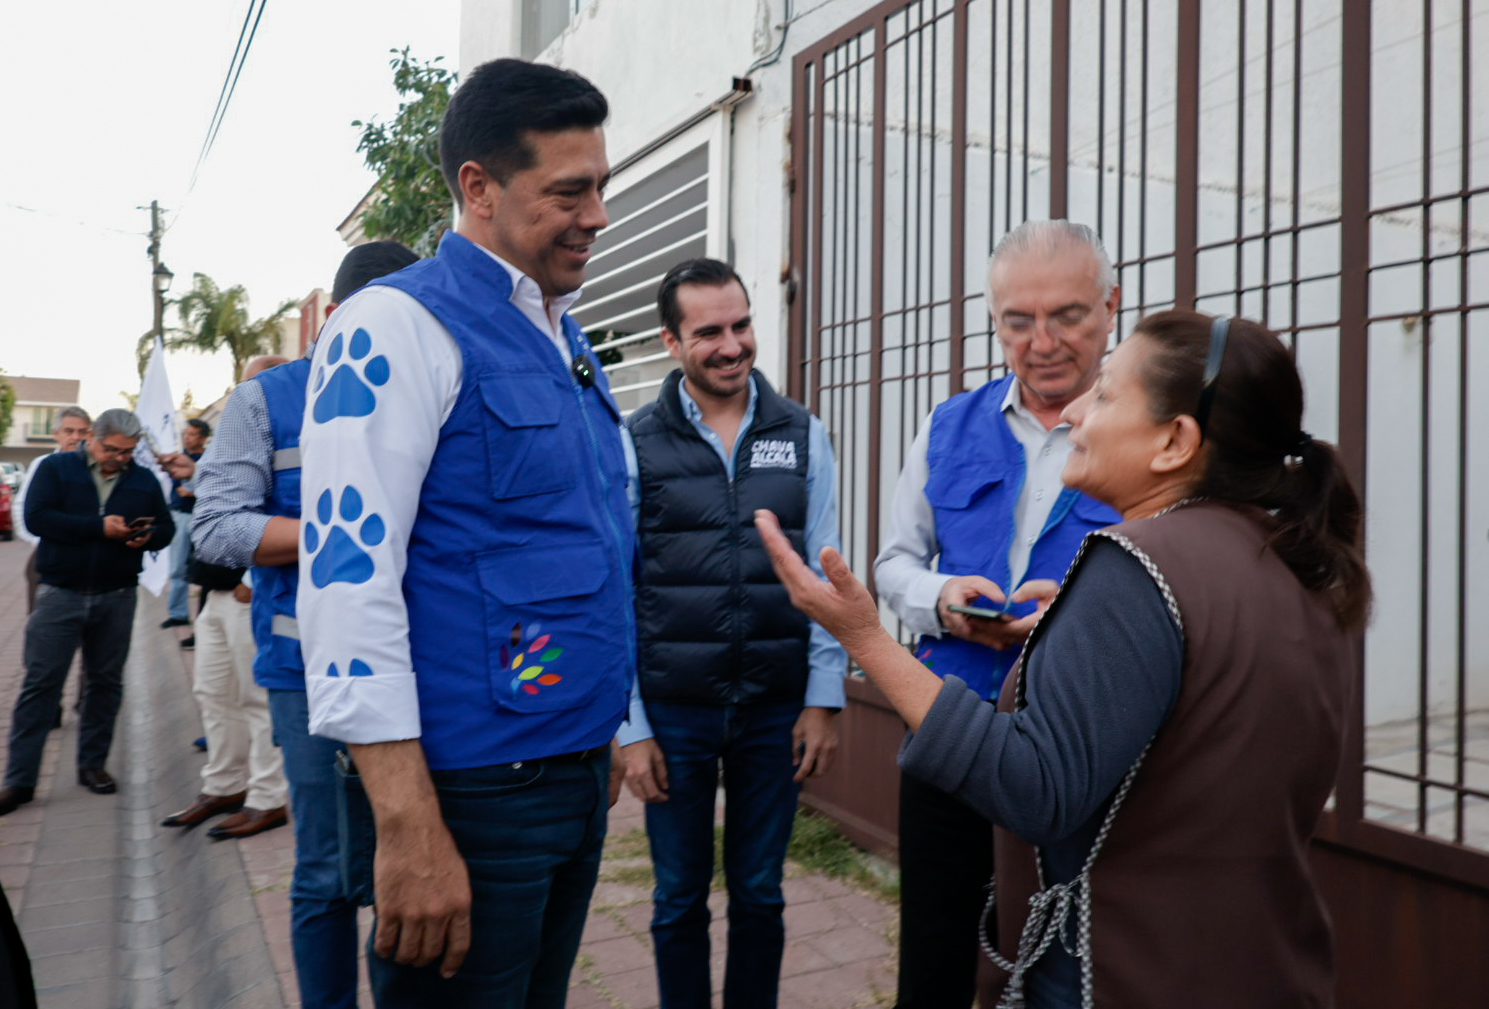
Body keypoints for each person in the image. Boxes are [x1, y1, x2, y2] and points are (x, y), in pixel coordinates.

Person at [759, 310, 1372, 1007]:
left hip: (1118, 971)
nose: (1075, 410)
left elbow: (1032, 785)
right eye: (1012, 318)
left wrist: (863, 637)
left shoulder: (1139, 562)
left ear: (1175, 441)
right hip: (1257, 965)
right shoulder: (1296, 558)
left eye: (1105, 393)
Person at [297, 58, 631, 1007]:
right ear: (477, 188)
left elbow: (577, 547)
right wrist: (406, 822)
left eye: (599, 186)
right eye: (568, 191)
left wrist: (599, 731)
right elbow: (346, 578)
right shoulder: (392, 327)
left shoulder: (557, 334)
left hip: (565, 776)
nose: (597, 215)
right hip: (470, 795)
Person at [872, 220, 1121, 1008]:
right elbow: (892, 566)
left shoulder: (1145, 432)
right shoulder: (947, 425)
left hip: (1081, 746)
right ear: (993, 319)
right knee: (935, 959)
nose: (1041, 341)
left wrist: (1071, 617)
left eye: (1068, 315)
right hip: (950, 731)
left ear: (1110, 307)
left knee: (1070, 965)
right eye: (1018, 320)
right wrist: (939, 600)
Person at [188, 243, 416, 1009]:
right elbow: (215, 528)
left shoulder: (432, 383)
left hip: (422, 670)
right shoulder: (269, 400)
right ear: (338, 317)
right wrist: (340, 534)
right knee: (325, 870)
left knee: (408, 865)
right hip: (306, 673)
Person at [617, 258, 846, 1008]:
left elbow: (826, 575)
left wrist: (821, 697)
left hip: (774, 708)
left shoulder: (803, 434)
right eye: (708, 331)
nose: (730, 344)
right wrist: (633, 725)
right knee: (677, 898)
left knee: (760, 892)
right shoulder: (634, 443)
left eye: (740, 324)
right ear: (671, 341)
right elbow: (614, 590)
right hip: (673, 711)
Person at [0, 409, 174, 815]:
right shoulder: (57, 468)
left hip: (117, 594)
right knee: (41, 685)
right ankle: (19, 780)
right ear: (93, 437)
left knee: (105, 684)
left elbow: (167, 528)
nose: (120, 458)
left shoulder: (142, 479)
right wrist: (99, 528)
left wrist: (147, 537)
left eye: (128, 452)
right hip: (60, 592)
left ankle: (92, 765)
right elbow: (36, 518)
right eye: (112, 449)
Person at [159, 553, 289, 840]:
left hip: (251, 592)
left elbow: (280, 512)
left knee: (258, 700)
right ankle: (224, 787)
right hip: (214, 591)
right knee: (212, 693)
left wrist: (250, 579)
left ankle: (268, 800)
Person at [16, 406, 93, 613]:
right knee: (42, 626)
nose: (76, 437)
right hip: (47, 552)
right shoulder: (43, 464)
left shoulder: (96, 467)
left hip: (87, 555)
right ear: (56, 434)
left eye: (82, 431)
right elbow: (22, 507)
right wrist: (39, 540)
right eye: (69, 431)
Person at [162, 418, 210, 639]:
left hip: (203, 517)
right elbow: (174, 484)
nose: (187, 437)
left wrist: (194, 488)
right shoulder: (177, 457)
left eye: (192, 434)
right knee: (177, 567)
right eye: (186, 433)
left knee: (207, 569)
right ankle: (178, 613)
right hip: (180, 516)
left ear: (202, 438)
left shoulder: (210, 458)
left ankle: (205, 621)